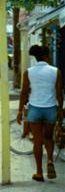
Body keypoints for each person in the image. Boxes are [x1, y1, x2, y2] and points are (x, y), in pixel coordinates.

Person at [17, 44, 63, 181]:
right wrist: (60, 109)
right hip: (50, 109)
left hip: (35, 109)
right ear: (46, 56)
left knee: (37, 141)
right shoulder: (56, 71)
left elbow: (24, 93)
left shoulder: (28, 72)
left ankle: (39, 172)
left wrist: (20, 111)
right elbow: (59, 93)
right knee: (49, 137)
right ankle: (50, 160)